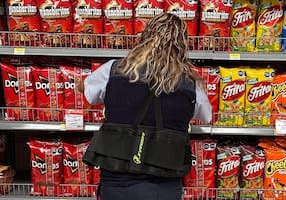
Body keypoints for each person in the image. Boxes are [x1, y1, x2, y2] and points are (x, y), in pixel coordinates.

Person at [76, 12, 212, 200]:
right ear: (182, 44)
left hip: (116, 183)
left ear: (145, 37)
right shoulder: (191, 84)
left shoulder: (114, 69)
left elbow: (85, 90)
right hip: (163, 186)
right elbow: (206, 116)